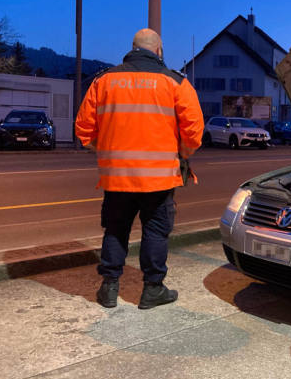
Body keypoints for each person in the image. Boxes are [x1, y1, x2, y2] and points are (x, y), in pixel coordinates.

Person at [75, 28, 204, 310]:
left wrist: (105, 150)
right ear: (159, 51)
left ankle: (109, 288)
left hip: (116, 177)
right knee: (155, 232)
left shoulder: (104, 81)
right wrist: (182, 153)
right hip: (159, 179)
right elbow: (194, 131)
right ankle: (152, 289)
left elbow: (83, 129)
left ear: (132, 48)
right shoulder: (175, 83)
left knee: (115, 229)